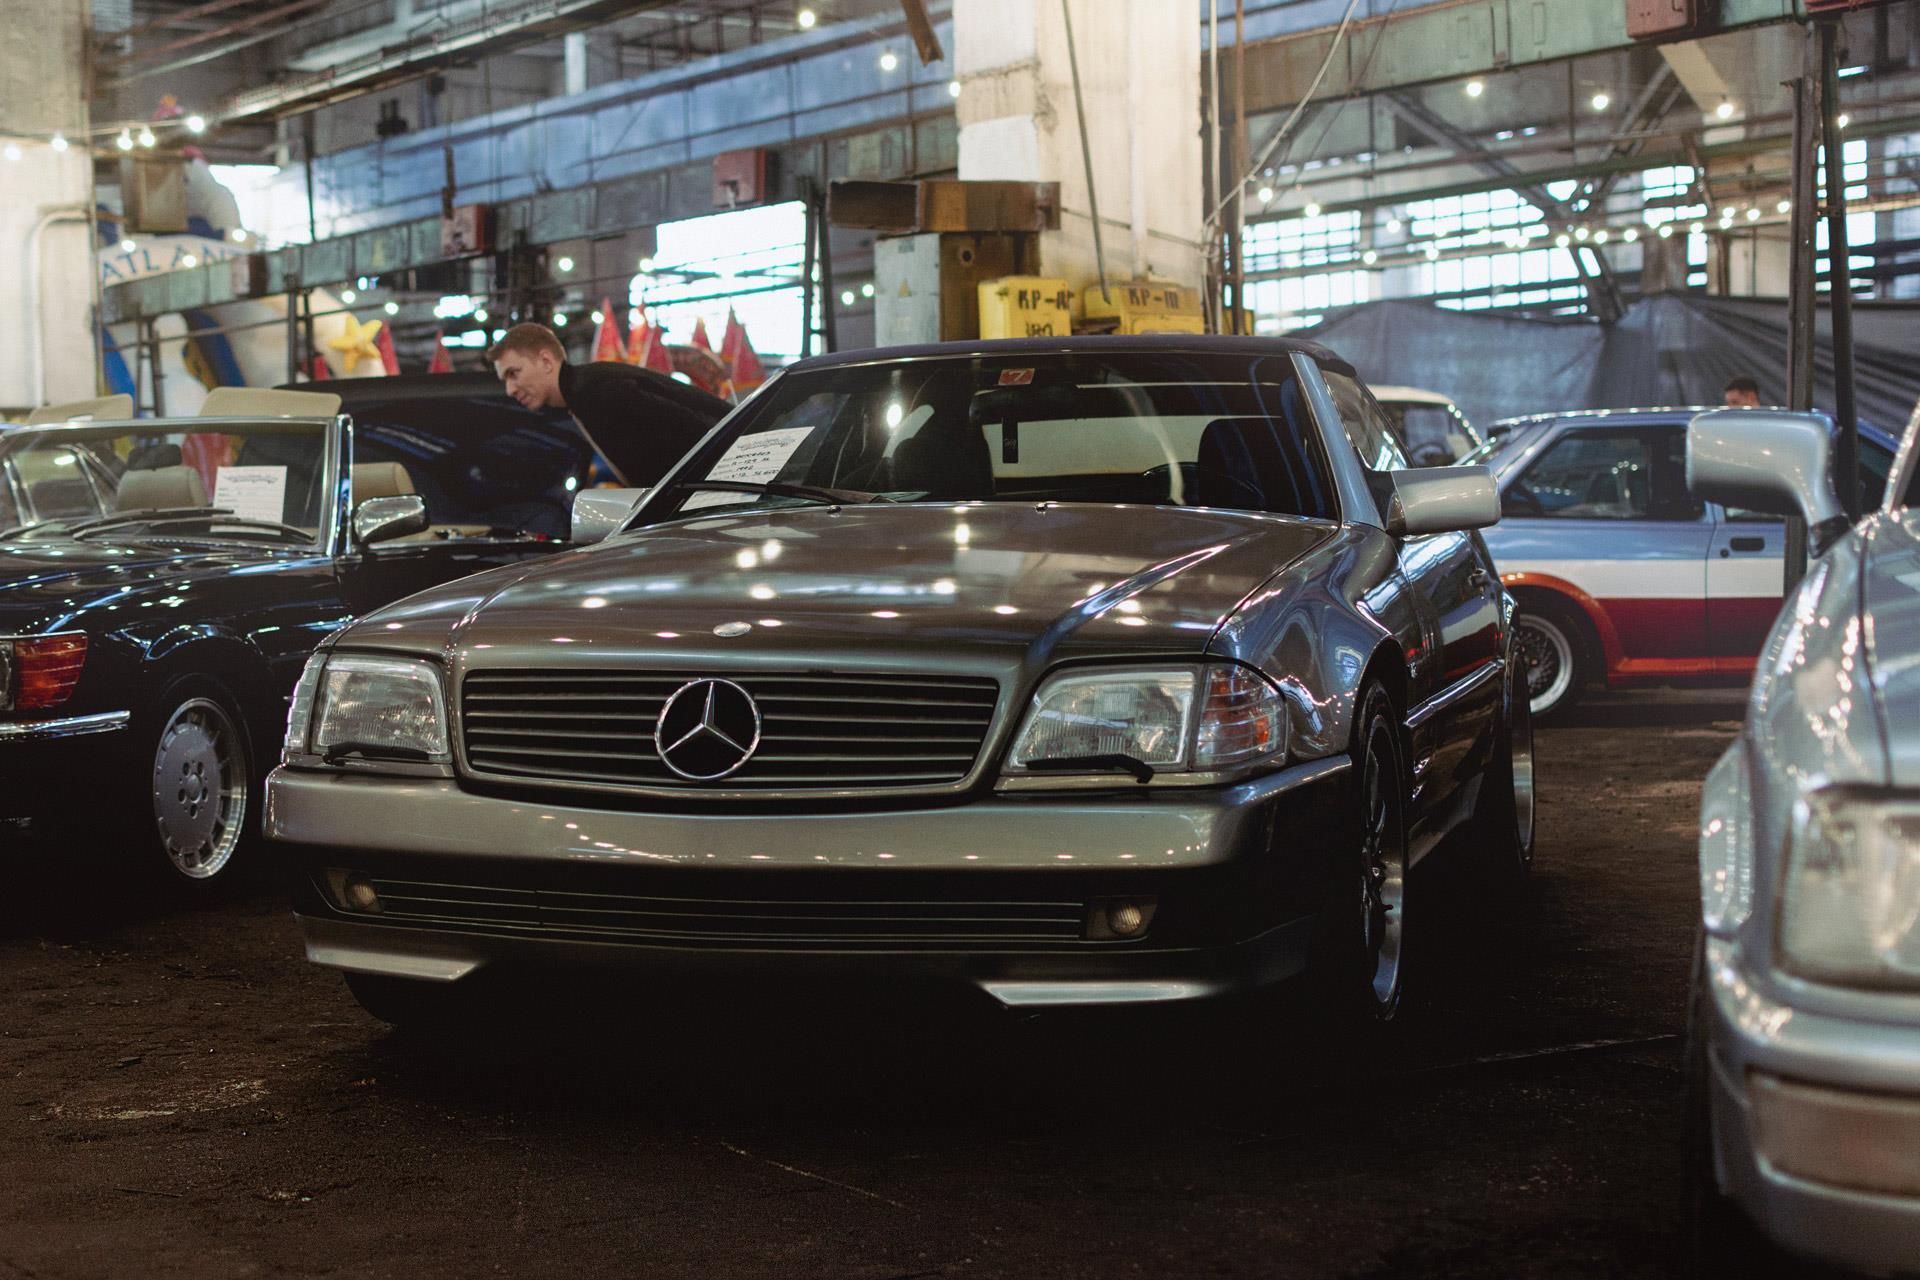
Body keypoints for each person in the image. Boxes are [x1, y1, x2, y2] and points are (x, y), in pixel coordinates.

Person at [486, 322, 725, 486]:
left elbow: (693, 440)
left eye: (513, 373)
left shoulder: (598, 394)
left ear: (546, 361)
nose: (510, 390)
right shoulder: (586, 390)